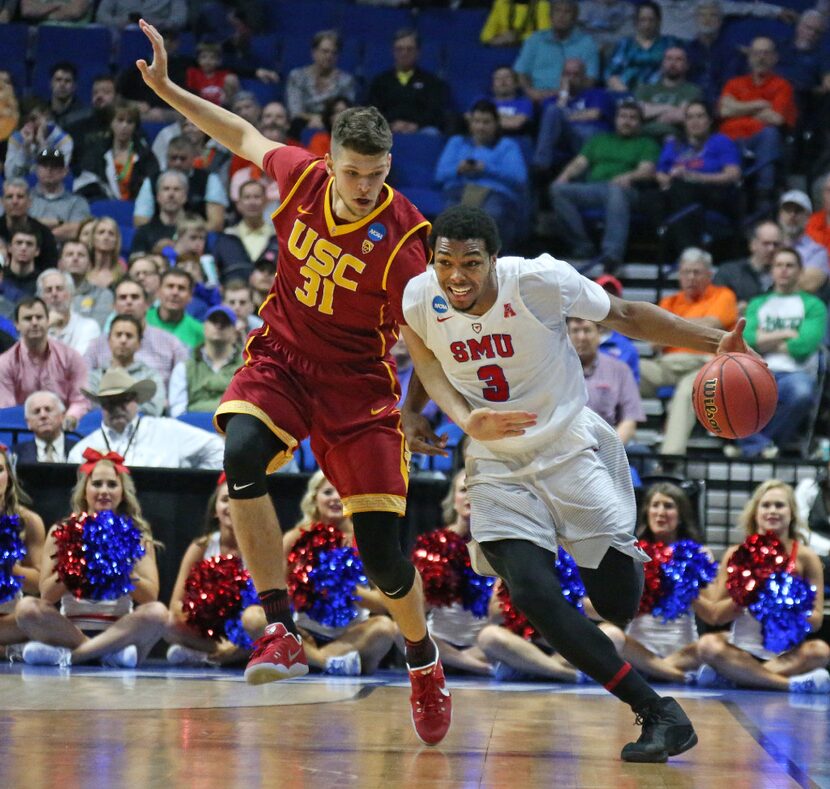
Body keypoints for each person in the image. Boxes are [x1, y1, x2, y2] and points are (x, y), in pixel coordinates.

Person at [137, 19, 452, 747]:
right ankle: (277, 627)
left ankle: (423, 656)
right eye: (353, 173)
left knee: (380, 551)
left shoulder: (408, 239)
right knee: (241, 454)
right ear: (331, 160)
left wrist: (410, 411)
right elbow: (239, 134)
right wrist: (167, 87)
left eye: (377, 176)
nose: (363, 188)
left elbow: (425, 345)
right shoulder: (301, 175)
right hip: (282, 357)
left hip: (358, 384)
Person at [399, 204, 753, 761]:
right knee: (533, 593)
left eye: (471, 262)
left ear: (495, 260)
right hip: (496, 460)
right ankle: (657, 711)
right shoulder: (420, 295)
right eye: (445, 262)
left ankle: (611, 547)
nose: (457, 275)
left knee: (616, 603)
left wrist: (714, 343)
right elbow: (429, 361)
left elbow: (630, 315)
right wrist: (417, 411)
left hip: (569, 445)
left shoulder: (540, 280)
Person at [15, 450, 168, 667]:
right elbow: (46, 596)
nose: (104, 491)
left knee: (159, 613)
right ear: (84, 491)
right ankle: (106, 655)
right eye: (97, 484)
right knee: (26, 608)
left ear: (122, 492)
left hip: (120, 631)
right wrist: (76, 564)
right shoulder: (62, 530)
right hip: (70, 631)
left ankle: (73, 657)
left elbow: (150, 596)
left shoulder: (138, 534)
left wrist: (121, 567)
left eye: (112, 485)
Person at [696, 480, 830, 693]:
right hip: (740, 650)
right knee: (707, 645)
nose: (772, 511)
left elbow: (815, 621)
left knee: (821, 651)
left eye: (779, 505)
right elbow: (715, 615)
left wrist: (783, 603)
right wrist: (748, 596)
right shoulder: (735, 554)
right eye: (766, 505)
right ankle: (789, 685)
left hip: (786, 655)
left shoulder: (806, 557)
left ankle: (737, 677)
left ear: (792, 513)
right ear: (755, 512)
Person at [282, 472, 399, 676]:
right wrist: (304, 586)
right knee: (257, 619)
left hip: (352, 637)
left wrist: (343, 589)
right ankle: (329, 663)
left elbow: (384, 603)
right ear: (314, 499)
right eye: (328, 492)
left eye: (343, 492)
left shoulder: (367, 540)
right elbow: (276, 592)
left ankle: (308, 661)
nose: (336, 497)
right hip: (305, 634)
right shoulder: (294, 538)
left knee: (385, 628)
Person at [639, 247, 737, 458]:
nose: (691, 277)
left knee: (687, 391)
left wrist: (669, 327)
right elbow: (653, 341)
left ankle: (669, 458)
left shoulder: (723, 295)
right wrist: (684, 329)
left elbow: (712, 326)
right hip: (668, 365)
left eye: (697, 272)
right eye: (686, 272)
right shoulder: (669, 302)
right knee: (624, 371)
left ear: (709, 275)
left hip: (707, 366)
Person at [730, 247, 827, 459]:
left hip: (796, 373)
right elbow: (748, 341)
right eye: (779, 265)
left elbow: (803, 347)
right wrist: (786, 333)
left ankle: (752, 444)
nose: (784, 270)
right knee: (727, 387)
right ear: (771, 271)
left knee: (801, 392)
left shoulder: (813, 305)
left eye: (790, 265)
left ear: (800, 271)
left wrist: (766, 339)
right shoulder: (758, 303)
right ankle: (763, 447)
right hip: (757, 372)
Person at [550, 99, 660, 272]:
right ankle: (582, 245)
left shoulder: (646, 143)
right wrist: (563, 177)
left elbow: (646, 171)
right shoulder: (599, 140)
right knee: (558, 190)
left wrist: (626, 177)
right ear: (616, 119)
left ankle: (612, 254)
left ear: (640, 123)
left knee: (616, 191)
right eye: (623, 116)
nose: (627, 121)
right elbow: (579, 163)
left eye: (633, 118)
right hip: (596, 189)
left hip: (629, 191)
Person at [165, 473, 259, 666]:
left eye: (239, 499)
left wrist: (241, 636)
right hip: (210, 634)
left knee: (262, 623)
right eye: (225, 499)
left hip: (247, 631)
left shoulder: (260, 548)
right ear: (215, 510)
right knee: (167, 623)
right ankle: (222, 655)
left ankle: (208, 656)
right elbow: (176, 604)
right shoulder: (201, 546)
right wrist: (200, 617)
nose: (232, 505)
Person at [623, 483, 711, 682]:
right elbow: (620, 607)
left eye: (669, 506)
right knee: (611, 635)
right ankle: (680, 677)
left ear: (680, 516)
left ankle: (651, 670)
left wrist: (684, 583)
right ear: (647, 512)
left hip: (682, 650)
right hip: (637, 647)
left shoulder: (699, 554)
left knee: (711, 646)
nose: (661, 512)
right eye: (655, 505)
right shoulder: (632, 553)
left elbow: (711, 613)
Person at [68, 368, 225, 469]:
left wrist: (193, 485)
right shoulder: (83, 451)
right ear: (101, 406)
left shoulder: (167, 430)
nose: (117, 407)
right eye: (110, 402)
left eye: (124, 400)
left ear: (136, 400)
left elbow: (217, 448)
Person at [421, 470, 494, 677]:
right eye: (463, 490)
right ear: (453, 501)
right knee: (400, 630)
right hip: (440, 642)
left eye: (476, 489)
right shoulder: (434, 544)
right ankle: (481, 669)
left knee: (498, 639)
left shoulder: (499, 545)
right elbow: (419, 606)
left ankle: (457, 664)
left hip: (483, 645)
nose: (469, 495)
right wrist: (439, 586)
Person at [649, 100, 741, 259]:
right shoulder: (675, 144)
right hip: (676, 190)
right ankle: (670, 250)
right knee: (650, 198)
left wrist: (695, 176)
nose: (695, 121)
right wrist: (665, 178)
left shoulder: (721, 141)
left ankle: (688, 253)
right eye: (690, 117)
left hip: (713, 192)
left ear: (709, 120)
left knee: (681, 189)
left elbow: (733, 174)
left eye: (700, 116)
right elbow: (660, 172)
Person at [435, 99, 528, 251]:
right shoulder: (456, 142)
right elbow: (440, 175)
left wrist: (486, 168)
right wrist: (458, 169)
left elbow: (519, 178)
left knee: (491, 216)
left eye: (486, 122)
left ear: (496, 124)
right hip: (459, 189)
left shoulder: (507, 145)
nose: (481, 127)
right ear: (470, 123)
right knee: (450, 218)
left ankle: (489, 261)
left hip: (495, 193)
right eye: (477, 121)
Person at [718, 36, 797, 212]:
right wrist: (759, 105)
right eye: (756, 53)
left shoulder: (782, 85)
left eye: (766, 53)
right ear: (749, 57)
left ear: (775, 58)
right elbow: (723, 111)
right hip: (730, 140)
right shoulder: (734, 83)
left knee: (771, 134)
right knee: (719, 142)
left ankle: (765, 196)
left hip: (760, 140)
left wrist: (737, 108)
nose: (761, 57)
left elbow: (776, 118)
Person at [84, 277, 189, 394]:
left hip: (158, 409)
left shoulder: (170, 342)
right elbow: (84, 381)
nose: (129, 302)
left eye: (135, 297)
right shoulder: (97, 345)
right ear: (113, 306)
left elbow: (185, 379)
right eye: (123, 298)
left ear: (147, 305)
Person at [0, 297, 89, 430]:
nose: (34, 322)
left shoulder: (71, 357)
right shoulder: (5, 363)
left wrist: (69, 419)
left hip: (65, 430)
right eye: (28, 318)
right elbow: (7, 409)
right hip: (22, 431)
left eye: (39, 317)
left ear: (48, 321)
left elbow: (80, 400)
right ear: (16, 324)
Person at [567, 316, 644, 450]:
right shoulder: (554, 371)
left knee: (640, 452)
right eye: (575, 331)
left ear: (599, 333)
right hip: (566, 447)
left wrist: (607, 451)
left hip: (608, 443)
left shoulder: (620, 369)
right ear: (567, 335)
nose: (581, 337)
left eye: (587, 330)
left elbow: (629, 420)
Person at [532, 57, 615, 174]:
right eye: (567, 74)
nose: (571, 78)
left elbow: (594, 114)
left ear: (584, 77)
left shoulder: (598, 93)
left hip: (588, 137)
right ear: (561, 77)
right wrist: (564, 95)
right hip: (563, 139)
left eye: (575, 74)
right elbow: (550, 122)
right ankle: (541, 166)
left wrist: (564, 116)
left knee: (588, 131)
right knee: (553, 110)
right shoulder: (551, 101)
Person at [0, 443, 45, 649]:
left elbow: (38, 585)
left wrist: (8, 567)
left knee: (36, 615)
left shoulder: (28, 521)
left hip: (11, 621)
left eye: (0, 470)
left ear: (9, 476)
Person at [512, 0, 600, 105]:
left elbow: (590, 79)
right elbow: (521, 72)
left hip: (572, 99)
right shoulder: (535, 39)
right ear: (550, 16)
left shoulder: (587, 43)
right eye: (557, 11)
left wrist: (564, 94)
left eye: (567, 12)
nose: (561, 16)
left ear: (575, 18)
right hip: (536, 99)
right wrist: (530, 92)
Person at [367, 28, 451, 135]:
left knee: (431, 133)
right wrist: (390, 124)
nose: (404, 53)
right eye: (400, 49)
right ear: (393, 51)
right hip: (387, 129)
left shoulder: (431, 82)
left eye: (409, 49)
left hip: (420, 129)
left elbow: (435, 111)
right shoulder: (380, 81)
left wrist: (416, 125)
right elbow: (372, 110)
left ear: (418, 52)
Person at [73, 100, 160, 203]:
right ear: (111, 123)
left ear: (135, 126)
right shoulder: (96, 154)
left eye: (130, 122)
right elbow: (83, 186)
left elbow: (154, 188)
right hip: (103, 210)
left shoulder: (146, 156)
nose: (124, 126)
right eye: (120, 120)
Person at [86, 314, 167, 417]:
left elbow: (154, 409)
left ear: (139, 343)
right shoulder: (95, 377)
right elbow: (91, 408)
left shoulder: (150, 376)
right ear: (109, 340)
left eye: (129, 336)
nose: (123, 340)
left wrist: (113, 407)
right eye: (118, 335)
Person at [168, 304, 241, 417]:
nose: (219, 325)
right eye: (213, 321)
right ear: (204, 327)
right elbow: (177, 413)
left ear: (234, 331)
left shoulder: (247, 367)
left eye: (225, 322)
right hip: (193, 429)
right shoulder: (184, 368)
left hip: (234, 427)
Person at [285, 31, 356, 136]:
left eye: (334, 53)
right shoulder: (297, 76)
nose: (329, 56)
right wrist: (313, 119)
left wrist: (324, 121)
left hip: (333, 127)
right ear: (314, 52)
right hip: (302, 124)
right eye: (325, 51)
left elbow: (346, 113)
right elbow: (295, 111)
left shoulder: (346, 80)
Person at [213, 179, 279, 283]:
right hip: (236, 298)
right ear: (239, 204)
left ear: (265, 202)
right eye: (247, 197)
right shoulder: (225, 239)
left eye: (257, 197)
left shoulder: (279, 238)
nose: (252, 202)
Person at [604, 2, 678, 93]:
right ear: (635, 22)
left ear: (659, 21)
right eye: (643, 20)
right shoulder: (625, 44)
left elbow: (676, 71)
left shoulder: (669, 43)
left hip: (659, 94)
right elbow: (611, 75)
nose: (647, 25)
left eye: (651, 20)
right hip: (625, 94)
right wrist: (627, 95)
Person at [634, 47, 703, 141]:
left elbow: (683, 116)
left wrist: (653, 110)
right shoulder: (645, 89)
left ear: (687, 65)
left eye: (678, 59)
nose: (673, 63)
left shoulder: (692, 90)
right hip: (643, 138)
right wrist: (669, 108)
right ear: (662, 64)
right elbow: (640, 112)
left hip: (675, 139)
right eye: (669, 59)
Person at [713, 219, 780, 312]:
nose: (771, 249)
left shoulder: (787, 275)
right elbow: (715, 307)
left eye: (776, 244)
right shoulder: (729, 272)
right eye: (766, 243)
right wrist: (733, 309)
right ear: (753, 245)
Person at [28, 148, 91, 243]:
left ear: (64, 171)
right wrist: (59, 223)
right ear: (37, 170)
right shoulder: (24, 198)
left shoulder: (78, 202)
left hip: (66, 255)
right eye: (44, 165)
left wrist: (35, 227)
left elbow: (78, 230)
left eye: (55, 166)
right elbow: (17, 226)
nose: (49, 169)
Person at [37, 268, 101, 355]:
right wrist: (45, 326)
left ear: (71, 294)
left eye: (59, 289)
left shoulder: (88, 327)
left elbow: (76, 362)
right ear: (42, 299)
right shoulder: (37, 330)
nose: (54, 294)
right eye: (48, 290)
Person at [777, 190, 829, 296]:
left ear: (808, 217)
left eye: (798, 211)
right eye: (787, 210)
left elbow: (808, 284)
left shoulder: (817, 251)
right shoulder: (770, 244)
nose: (792, 215)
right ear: (780, 214)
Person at [0, 178, 59, 270]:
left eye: (20, 197)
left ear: (29, 202)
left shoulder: (44, 234)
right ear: (2, 202)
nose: (15, 201)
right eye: (9, 197)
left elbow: (50, 269)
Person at [59, 240, 114, 329]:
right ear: (60, 264)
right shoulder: (49, 293)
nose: (75, 258)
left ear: (90, 265)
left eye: (81, 255)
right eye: (69, 254)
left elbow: (97, 328)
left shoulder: (102, 294)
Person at [146, 268, 205, 349]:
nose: (175, 292)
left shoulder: (199, 332)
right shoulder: (143, 321)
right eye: (170, 286)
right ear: (158, 292)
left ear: (190, 296)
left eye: (181, 288)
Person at [13, 390, 78, 463]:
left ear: (62, 417)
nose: (43, 415)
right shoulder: (15, 455)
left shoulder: (80, 450)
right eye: (37, 411)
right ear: (28, 423)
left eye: (48, 409)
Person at [185, 41, 239, 108]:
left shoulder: (225, 75)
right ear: (198, 60)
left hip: (222, 108)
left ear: (219, 61)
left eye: (212, 58)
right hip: (199, 107)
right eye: (203, 57)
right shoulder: (193, 73)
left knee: (231, 78)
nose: (208, 61)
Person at [480, 0, 551, 47]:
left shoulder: (542, 5)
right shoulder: (501, 3)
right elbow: (485, 36)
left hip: (529, 50)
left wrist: (519, 38)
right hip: (502, 49)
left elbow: (545, 36)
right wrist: (500, 39)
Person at [87, 216, 127, 290]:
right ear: (92, 238)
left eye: (111, 234)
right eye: (101, 232)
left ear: (116, 241)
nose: (106, 237)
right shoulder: (83, 272)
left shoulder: (122, 275)